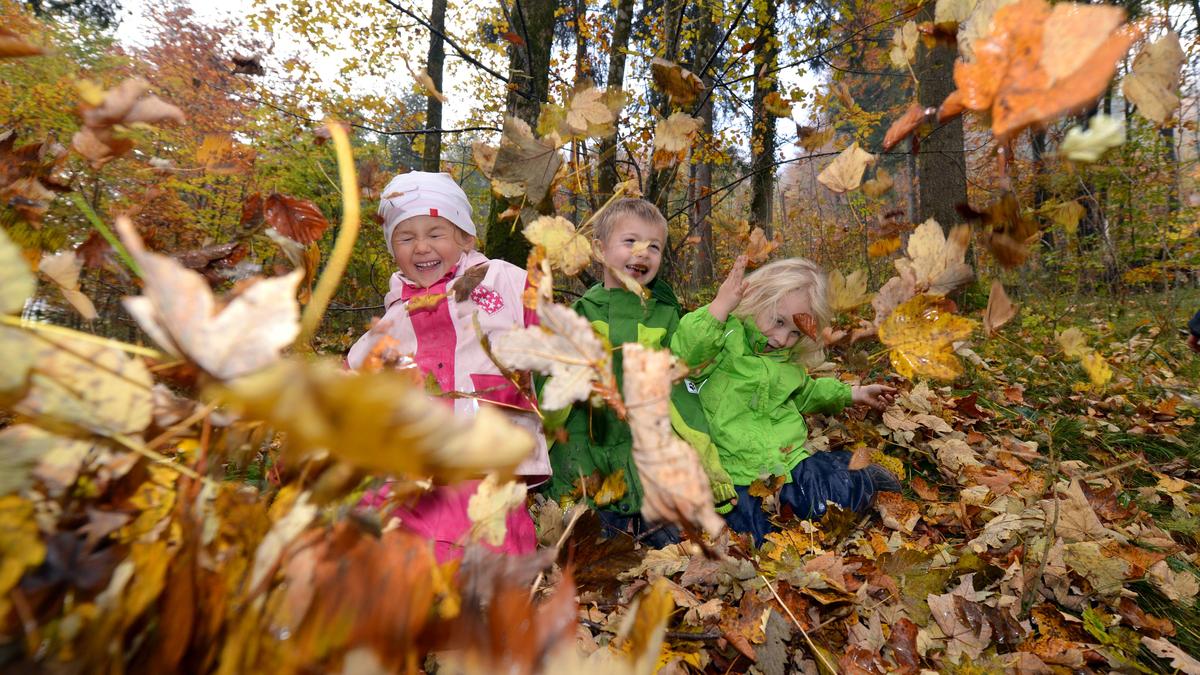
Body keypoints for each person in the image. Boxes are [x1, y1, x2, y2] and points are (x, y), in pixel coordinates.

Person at [345, 171, 548, 561]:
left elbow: (547, 318)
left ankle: (484, 598)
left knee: (487, 538)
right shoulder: (396, 314)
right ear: (393, 249)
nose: (421, 247)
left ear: (465, 238)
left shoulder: (499, 279)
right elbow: (355, 372)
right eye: (406, 237)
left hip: (486, 447)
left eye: (435, 233)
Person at [539, 198, 734, 546]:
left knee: (670, 540)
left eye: (653, 246)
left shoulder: (666, 315)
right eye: (630, 242)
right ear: (600, 250)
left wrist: (718, 311)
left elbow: (689, 359)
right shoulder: (577, 314)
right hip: (590, 444)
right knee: (586, 539)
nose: (642, 253)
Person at [670, 255, 901, 545]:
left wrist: (851, 394)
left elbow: (806, 393)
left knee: (819, 500)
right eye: (778, 321)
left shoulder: (784, 361)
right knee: (754, 535)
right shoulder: (723, 336)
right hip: (736, 473)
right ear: (756, 298)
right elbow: (684, 355)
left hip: (788, 464)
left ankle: (861, 478)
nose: (781, 339)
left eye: (794, 333)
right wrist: (718, 308)